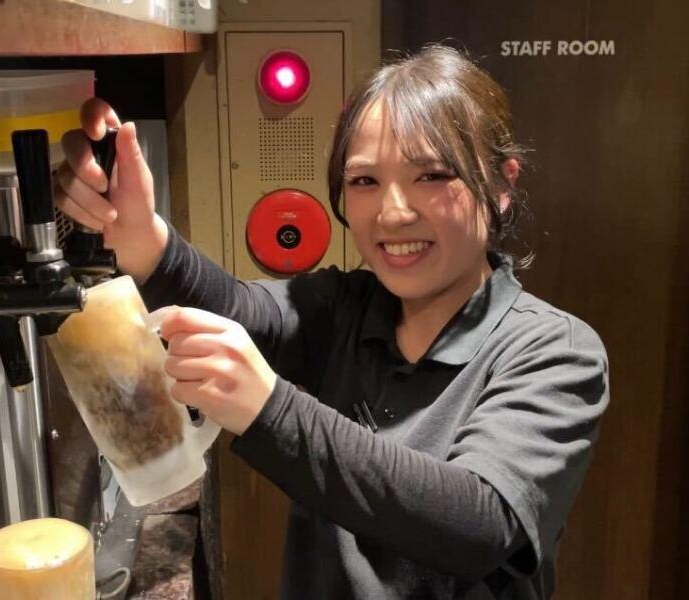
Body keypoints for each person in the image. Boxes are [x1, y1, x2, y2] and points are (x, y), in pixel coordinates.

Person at [56, 45, 609, 599]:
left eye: (433, 175)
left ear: (502, 187)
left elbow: (480, 524)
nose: (393, 212)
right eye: (365, 181)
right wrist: (140, 235)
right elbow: (236, 308)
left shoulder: (554, 351)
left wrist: (271, 410)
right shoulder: (344, 307)